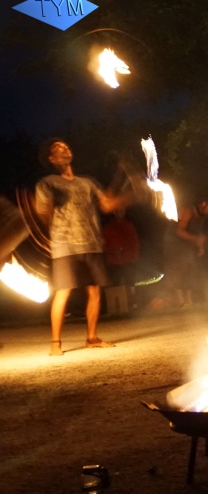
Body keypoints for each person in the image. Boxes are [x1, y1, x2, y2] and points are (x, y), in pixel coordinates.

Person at [34, 138, 133, 356]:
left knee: (95, 291)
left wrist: (130, 193)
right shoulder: (47, 183)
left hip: (91, 242)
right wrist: (49, 208)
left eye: (66, 146)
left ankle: (91, 338)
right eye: (58, 149)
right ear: (51, 159)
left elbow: (107, 204)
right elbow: (42, 213)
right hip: (64, 245)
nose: (65, 149)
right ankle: (55, 343)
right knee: (63, 291)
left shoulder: (87, 182)